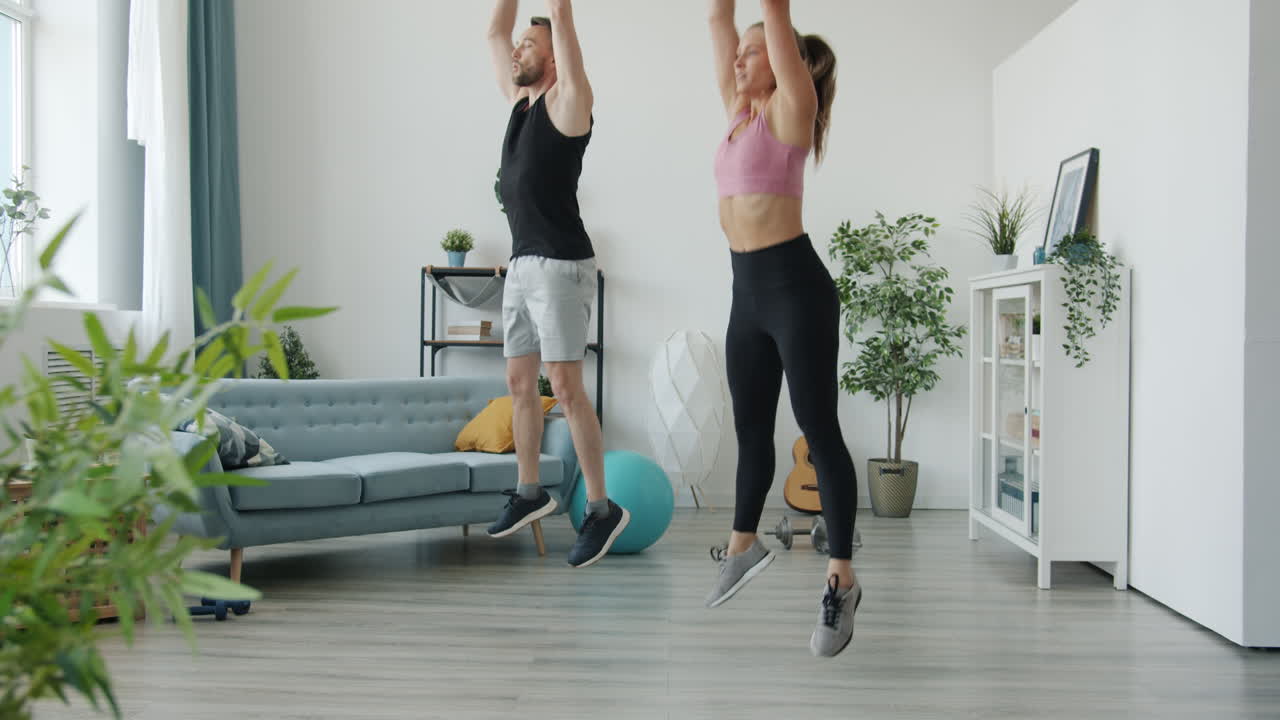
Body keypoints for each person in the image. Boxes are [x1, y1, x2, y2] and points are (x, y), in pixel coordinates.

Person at [704, 0, 860, 657]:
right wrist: (728, 26)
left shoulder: (790, 111)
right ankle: (744, 544)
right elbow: (719, 20)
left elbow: (772, 15)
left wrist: (768, 24)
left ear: (782, 59)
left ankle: (841, 580)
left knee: (817, 428)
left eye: (753, 50)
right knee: (750, 428)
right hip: (746, 293)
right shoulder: (738, 113)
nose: (740, 59)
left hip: (797, 290)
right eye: (737, 53)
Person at [483, 0, 629, 568]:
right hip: (522, 263)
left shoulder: (570, 105)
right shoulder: (519, 102)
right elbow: (494, 30)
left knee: (565, 388)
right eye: (520, 43)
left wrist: (557, 17)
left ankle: (600, 508)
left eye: (530, 44)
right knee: (520, 384)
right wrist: (513, 24)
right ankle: (529, 491)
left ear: (553, 58)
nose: (518, 47)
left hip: (562, 265)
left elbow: (564, 25)